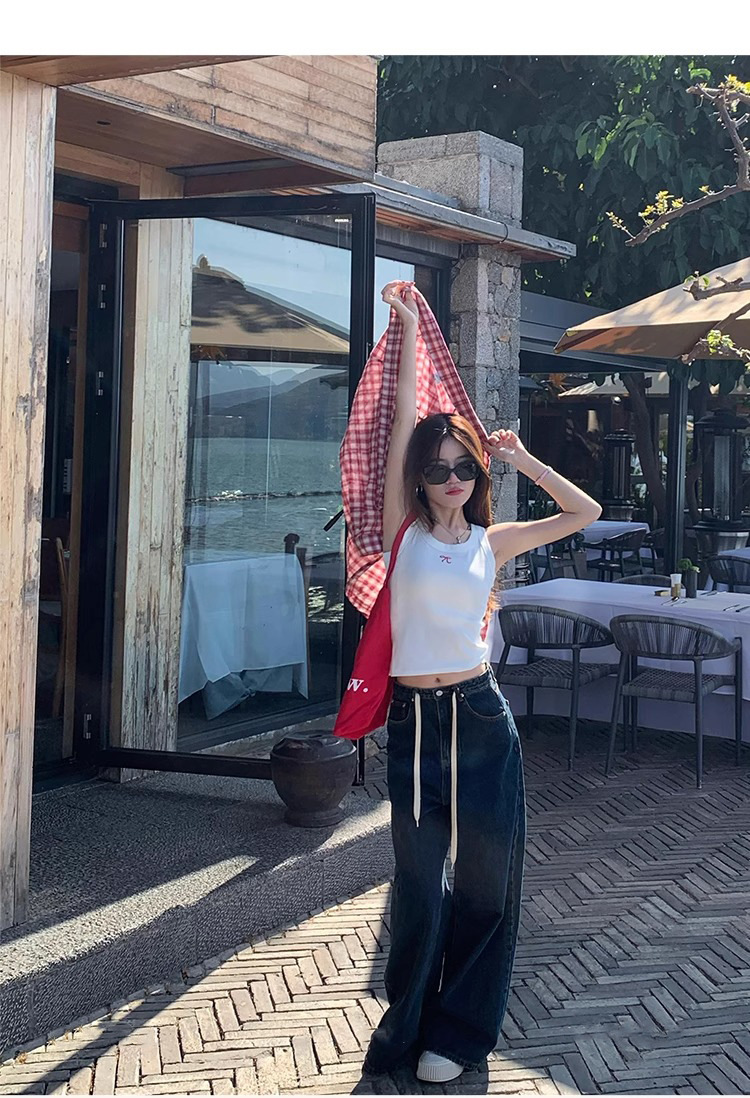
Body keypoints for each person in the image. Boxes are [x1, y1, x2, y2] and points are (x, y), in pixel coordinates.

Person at [361, 282, 602, 1083]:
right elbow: (404, 421)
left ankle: (460, 1034)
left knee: (487, 885)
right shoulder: (403, 531)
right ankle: (405, 1028)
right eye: (438, 469)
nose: (452, 478)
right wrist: (406, 328)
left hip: (480, 716)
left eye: (464, 466)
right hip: (415, 722)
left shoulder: (491, 543)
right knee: (419, 886)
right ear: (419, 477)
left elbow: (584, 512)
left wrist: (522, 458)